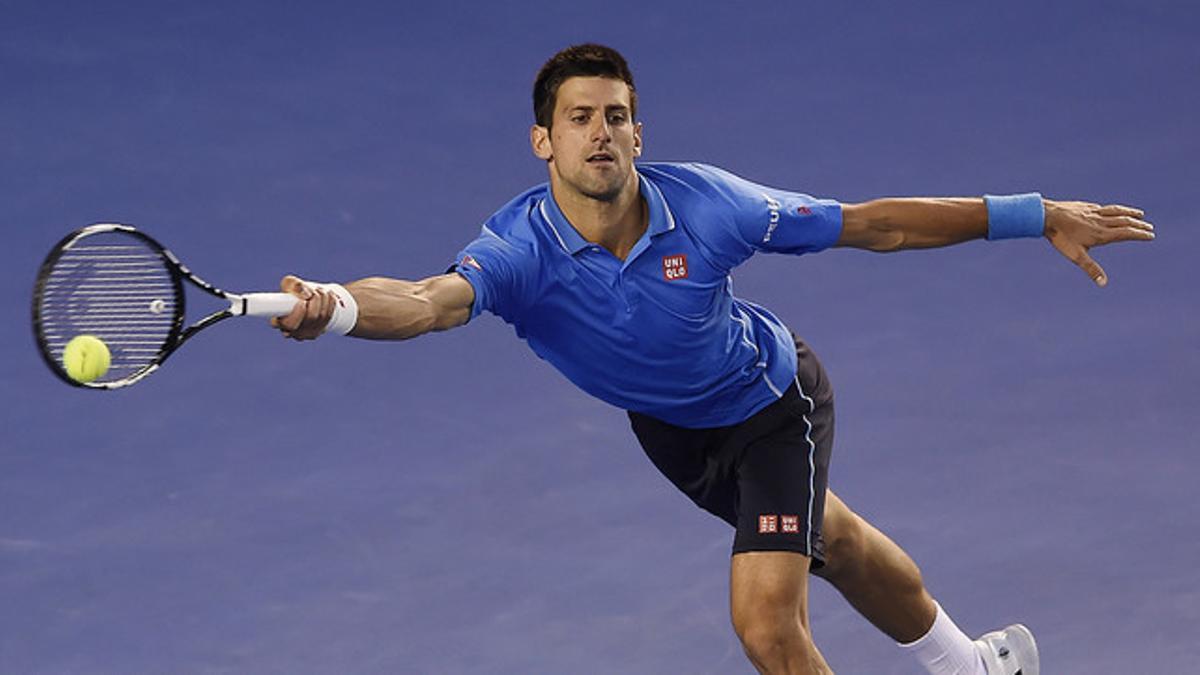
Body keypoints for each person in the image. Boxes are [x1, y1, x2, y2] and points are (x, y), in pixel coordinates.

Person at [272, 44, 1154, 674]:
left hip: (772, 405)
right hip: (674, 434)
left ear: (638, 132)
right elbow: (426, 303)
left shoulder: (710, 206)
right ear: (544, 141)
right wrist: (340, 308)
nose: (600, 133)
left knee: (767, 625)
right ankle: (974, 665)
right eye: (579, 118)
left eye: (615, 116)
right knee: (835, 542)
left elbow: (870, 223)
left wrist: (1033, 211)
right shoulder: (517, 253)